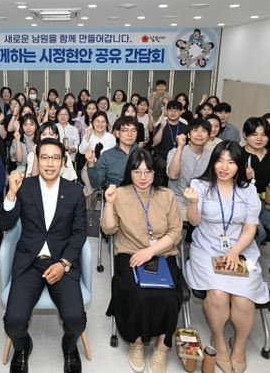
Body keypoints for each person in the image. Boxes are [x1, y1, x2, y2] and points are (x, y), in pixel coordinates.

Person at [0, 138, 87, 373]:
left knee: (76, 318)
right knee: (13, 321)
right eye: (45, 157)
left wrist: (64, 263)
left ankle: (69, 347)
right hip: (30, 261)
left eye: (55, 158)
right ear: (36, 160)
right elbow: (4, 224)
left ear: (63, 161)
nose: (49, 163)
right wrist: (11, 194)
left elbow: (79, 233)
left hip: (61, 262)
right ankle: (22, 347)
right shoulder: (24, 187)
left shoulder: (74, 191)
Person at [183, 140, 270, 373]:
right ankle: (219, 340)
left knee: (243, 299)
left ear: (239, 165)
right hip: (207, 246)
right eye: (220, 161)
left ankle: (239, 345)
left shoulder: (248, 190)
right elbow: (194, 222)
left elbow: (250, 228)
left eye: (231, 162)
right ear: (212, 163)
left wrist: (234, 252)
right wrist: (193, 203)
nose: (224, 167)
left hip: (241, 247)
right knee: (218, 294)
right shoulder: (200, 186)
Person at [101, 148, 183, 373]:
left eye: (148, 172)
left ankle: (162, 346)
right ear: (130, 172)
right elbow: (108, 229)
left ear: (155, 173)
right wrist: (109, 203)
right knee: (137, 293)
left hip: (162, 253)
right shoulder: (120, 193)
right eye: (137, 172)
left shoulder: (166, 195)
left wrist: (151, 251)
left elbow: (176, 232)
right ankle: (136, 341)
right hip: (129, 253)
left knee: (170, 295)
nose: (143, 177)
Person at [167, 118, 212, 222]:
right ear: (188, 135)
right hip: (178, 200)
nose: (199, 134)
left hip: (201, 201)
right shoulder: (175, 152)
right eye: (195, 130)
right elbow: (172, 175)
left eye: (204, 131)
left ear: (208, 137)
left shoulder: (211, 156)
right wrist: (180, 147)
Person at [87, 116, 139, 189]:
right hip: (116, 193)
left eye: (133, 131)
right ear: (117, 134)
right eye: (125, 130)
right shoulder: (107, 155)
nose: (130, 134)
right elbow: (96, 183)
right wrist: (91, 164)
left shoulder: (143, 154)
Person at [152, 100, 188, 187]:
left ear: (180, 112)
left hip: (179, 157)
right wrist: (162, 128)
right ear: (166, 111)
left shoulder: (185, 127)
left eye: (176, 110)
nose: (173, 113)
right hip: (162, 157)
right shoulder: (161, 125)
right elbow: (155, 143)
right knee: (163, 169)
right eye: (170, 110)